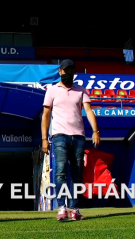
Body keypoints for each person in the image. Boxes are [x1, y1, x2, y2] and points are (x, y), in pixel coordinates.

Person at [41, 59, 100, 221]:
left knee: (77, 174)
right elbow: (45, 115)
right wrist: (44, 139)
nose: (68, 73)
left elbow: (88, 111)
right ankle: (61, 207)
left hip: (79, 136)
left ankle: (74, 209)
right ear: (60, 71)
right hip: (59, 136)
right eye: (65, 70)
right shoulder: (52, 90)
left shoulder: (81, 90)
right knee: (60, 171)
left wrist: (95, 131)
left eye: (71, 70)